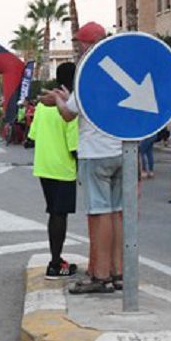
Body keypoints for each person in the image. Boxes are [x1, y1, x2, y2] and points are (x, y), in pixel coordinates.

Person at [41, 21, 123, 293]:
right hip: (122, 149)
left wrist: (60, 100)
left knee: (99, 214)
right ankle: (118, 271)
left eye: (80, 44)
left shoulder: (89, 71)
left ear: (88, 44)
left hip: (96, 151)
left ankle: (100, 276)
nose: (79, 49)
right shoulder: (120, 66)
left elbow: (69, 114)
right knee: (117, 213)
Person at [28, 63, 79, 279]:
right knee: (60, 215)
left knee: (53, 213)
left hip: (43, 165)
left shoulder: (44, 103)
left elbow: (33, 135)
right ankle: (55, 263)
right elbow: (74, 145)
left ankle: (56, 259)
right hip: (63, 166)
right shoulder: (69, 103)